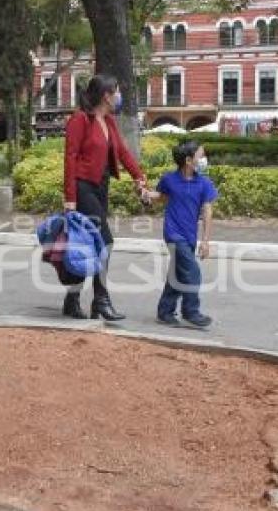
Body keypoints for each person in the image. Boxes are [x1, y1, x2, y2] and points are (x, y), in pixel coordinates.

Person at [62, 74, 147, 321]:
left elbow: (121, 151)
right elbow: (70, 157)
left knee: (88, 244)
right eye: (116, 91)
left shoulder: (107, 121)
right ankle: (100, 300)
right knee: (105, 241)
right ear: (106, 95)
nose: (119, 95)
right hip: (83, 187)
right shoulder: (80, 120)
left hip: (101, 187)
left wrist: (138, 177)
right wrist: (70, 197)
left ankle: (72, 298)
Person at [143, 139, 218, 329]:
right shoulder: (169, 179)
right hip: (173, 234)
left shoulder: (204, 183)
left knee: (177, 274)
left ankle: (165, 311)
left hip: (190, 236)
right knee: (192, 273)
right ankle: (191, 311)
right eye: (200, 156)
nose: (203, 159)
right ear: (188, 160)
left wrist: (206, 241)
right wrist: (146, 194)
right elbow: (161, 196)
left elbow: (207, 211)